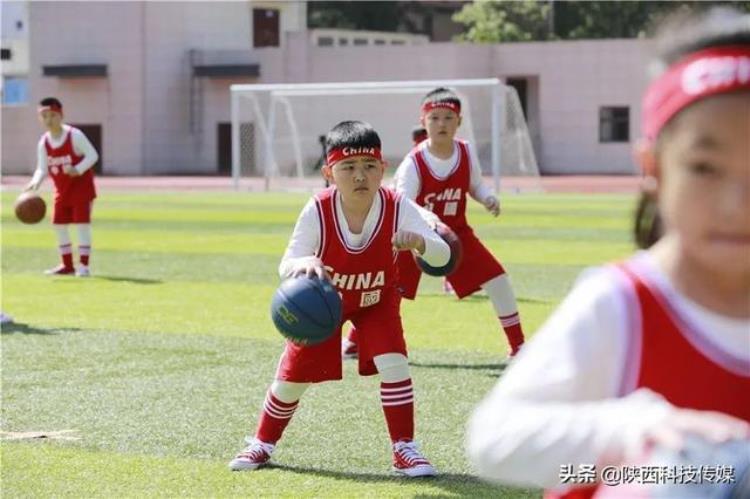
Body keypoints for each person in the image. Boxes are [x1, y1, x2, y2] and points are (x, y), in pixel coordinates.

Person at [466, 8, 750, 498]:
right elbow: (494, 437)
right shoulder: (622, 303)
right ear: (653, 168)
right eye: (705, 167)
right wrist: (630, 433)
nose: (737, 204)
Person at [228, 120, 450, 477]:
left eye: (368, 167)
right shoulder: (317, 208)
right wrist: (307, 262)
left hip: (377, 299)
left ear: (383, 169)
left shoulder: (398, 206)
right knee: (292, 378)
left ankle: (404, 449)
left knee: (395, 364)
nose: (360, 176)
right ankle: (262, 443)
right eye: (348, 168)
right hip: (324, 303)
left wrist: (422, 243)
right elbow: (287, 263)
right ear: (329, 172)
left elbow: (442, 257)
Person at [347, 88, 526, 360]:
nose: (441, 123)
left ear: (459, 122)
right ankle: (354, 342)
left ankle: (519, 346)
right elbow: (402, 202)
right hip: (409, 236)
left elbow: (474, 183)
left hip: (457, 234)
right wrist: (428, 219)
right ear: (423, 122)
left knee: (497, 280)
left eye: (448, 117)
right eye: (434, 118)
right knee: (385, 289)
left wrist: (487, 197)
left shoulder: (465, 151)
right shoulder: (413, 162)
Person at [25, 97, 98, 277]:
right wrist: (35, 182)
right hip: (61, 190)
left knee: (82, 225)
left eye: (52, 115)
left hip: (81, 189)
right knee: (58, 225)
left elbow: (93, 155)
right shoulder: (44, 142)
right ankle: (67, 265)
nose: (49, 120)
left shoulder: (75, 135)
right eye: (44, 116)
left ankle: (83, 266)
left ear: (61, 115)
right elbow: (42, 168)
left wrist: (78, 169)